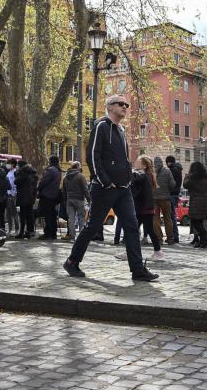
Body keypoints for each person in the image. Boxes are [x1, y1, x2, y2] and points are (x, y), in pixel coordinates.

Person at [63, 95, 158, 281]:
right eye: (121, 104)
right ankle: (72, 261)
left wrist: (128, 178)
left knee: (131, 227)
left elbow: (123, 160)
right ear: (110, 107)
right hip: (105, 188)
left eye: (126, 104)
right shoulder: (101, 126)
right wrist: (105, 181)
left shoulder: (121, 130)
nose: (125, 107)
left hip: (124, 188)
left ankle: (137, 269)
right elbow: (93, 155)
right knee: (93, 226)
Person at [130, 156, 163, 259]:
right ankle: (130, 252)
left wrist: (129, 170)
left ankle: (158, 252)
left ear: (144, 166)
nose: (135, 163)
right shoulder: (146, 175)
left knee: (143, 230)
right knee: (136, 229)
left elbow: (134, 180)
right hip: (144, 207)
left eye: (138, 162)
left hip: (144, 208)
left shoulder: (143, 175)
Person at [183, 161, 207, 249]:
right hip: (205, 202)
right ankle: (203, 241)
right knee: (199, 222)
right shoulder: (205, 180)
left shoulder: (192, 179)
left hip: (195, 202)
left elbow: (185, 185)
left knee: (195, 222)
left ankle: (206, 238)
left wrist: (188, 175)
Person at [62, 161, 90, 241]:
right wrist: (89, 199)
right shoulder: (80, 176)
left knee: (71, 218)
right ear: (77, 167)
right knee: (81, 217)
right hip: (79, 199)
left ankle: (72, 235)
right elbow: (85, 189)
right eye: (80, 166)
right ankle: (81, 236)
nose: (81, 167)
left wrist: (65, 200)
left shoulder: (66, 176)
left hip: (69, 199)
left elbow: (63, 190)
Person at [37, 155, 63, 240]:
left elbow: (43, 181)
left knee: (47, 215)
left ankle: (48, 233)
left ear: (51, 161)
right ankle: (53, 233)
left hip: (47, 195)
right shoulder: (58, 170)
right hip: (54, 196)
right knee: (52, 215)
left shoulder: (51, 170)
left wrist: (39, 188)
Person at [152, 156, 175, 245]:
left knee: (155, 219)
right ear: (162, 162)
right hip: (165, 198)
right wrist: (168, 190)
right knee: (167, 218)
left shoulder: (152, 172)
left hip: (154, 199)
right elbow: (172, 184)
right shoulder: (167, 171)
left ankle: (159, 238)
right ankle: (170, 238)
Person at [14, 161, 38, 239]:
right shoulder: (33, 174)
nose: (16, 167)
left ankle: (21, 232)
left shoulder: (23, 174)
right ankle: (29, 232)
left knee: (23, 215)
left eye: (17, 165)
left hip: (23, 197)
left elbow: (16, 181)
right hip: (31, 197)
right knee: (29, 215)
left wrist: (17, 173)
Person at [165, 155, 182, 243]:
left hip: (171, 194)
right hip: (175, 194)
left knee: (171, 216)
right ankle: (174, 236)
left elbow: (169, 183)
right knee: (172, 216)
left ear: (169, 162)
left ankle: (174, 236)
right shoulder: (178, 169)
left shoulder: (173, 170)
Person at [5, 158, 20, 237]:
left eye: (9, 163)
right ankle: (10, 229)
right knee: (8, 214)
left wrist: (14, 194)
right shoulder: (9, 172)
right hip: (8, 194)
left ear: (13, 164)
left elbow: (15, 184)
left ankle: (17, 229)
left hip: (13, 195)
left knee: (14, 213)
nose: (7, 165)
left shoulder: (15, 172)